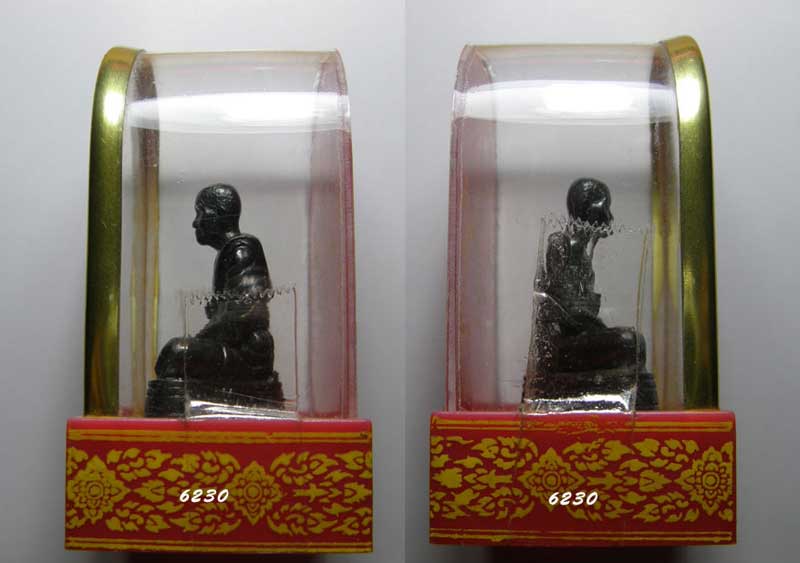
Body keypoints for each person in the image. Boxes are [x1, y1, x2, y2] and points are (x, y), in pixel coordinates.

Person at [145, 184, 283, 416]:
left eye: (200, 213)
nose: (195, 222)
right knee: (174, 355)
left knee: (176, 352)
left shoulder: (243, 250)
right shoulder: (231, 252)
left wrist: (202, 337)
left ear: (219, 215)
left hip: (247, 355)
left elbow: (247, 311)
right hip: (234, 348)